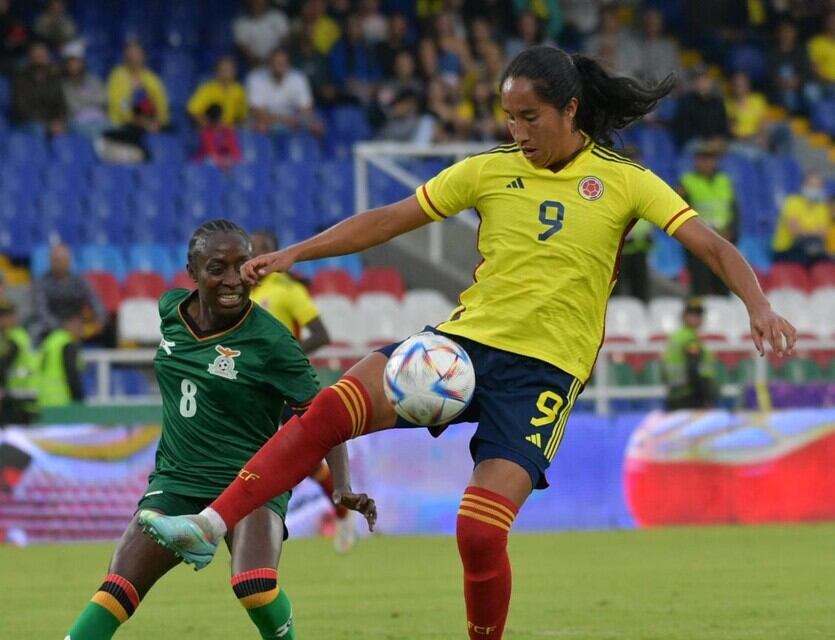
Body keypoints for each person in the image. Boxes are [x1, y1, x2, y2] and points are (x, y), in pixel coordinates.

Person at [139, 46, 796, 640]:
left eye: (529, 117)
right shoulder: (487, 171)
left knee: (479, 533)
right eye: (508, 117)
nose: (517, 132)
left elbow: (711, 245)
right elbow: (389, 219)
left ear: (570, 109)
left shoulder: (624, 180)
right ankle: (209, 524)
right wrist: (295, 254)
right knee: (332, 409)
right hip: (460, 348)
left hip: (542, 376)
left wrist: (759, 304)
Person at [65, 220, 376, 639]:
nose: (232, 280)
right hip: (177, 480)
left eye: (241, 266)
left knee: (254, 585)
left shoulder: (271, 341)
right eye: (217, 268)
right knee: (118, 586)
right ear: (192, 272)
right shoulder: (170, 311)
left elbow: (325, 415)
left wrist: (341, 486)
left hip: (252, 480)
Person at [249, 230, 356, 553]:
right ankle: (247, 536)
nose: (256, 254)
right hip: (251, 387)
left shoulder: (288, 290)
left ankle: (342, 511)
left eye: (263, 248)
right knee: (255, 458)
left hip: (284, 386)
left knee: (305, 457)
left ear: (273, 253)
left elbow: (321, 334)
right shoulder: (241, 292)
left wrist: (286, 357)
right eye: (252, 248)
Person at [678, 142, 737, 295]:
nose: (707, 162)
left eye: (710, 158)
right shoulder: (687, 182)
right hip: (699, 245)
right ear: (696, 161)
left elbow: (733, 209)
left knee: (723, 288)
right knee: (700, 288)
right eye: (703, 158)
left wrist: (732, 232)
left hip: (722, 241)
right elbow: (682, 215)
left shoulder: (724, 181)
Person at [32, 244, 106, 342]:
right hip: (51, 327)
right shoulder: (41, 283)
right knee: (36, 331)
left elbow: (95, 300)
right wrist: (63, 327)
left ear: (69, 261)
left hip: (77, 324)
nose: (60, 264)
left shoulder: (80, 281)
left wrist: (99, 319)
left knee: (108, 329)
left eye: (63, 260)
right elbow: (42, 312)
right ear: (50, 261)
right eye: (56, 260)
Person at [246, 47, 323, 136]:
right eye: (276, 63)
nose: (280, 66)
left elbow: (306, 109)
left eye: (283, 63)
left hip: (293, 120)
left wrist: (298, 120)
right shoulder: (255, 78)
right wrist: (284, 120)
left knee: (316, 125)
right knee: (260, 125)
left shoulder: (298, 78)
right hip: (265, 120)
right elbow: (257, 111)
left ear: (288, 64)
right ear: (269, 64)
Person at [662, 297, 718, 410]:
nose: (697, 318)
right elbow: (694, 369)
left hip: (674, 394)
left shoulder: (676, 336)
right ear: (684, 316)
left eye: (699, 314)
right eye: (692, 314)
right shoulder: (690, 339)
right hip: (691, 396)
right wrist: (705, 398)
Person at [106, 41, 169, 131]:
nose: (134, 58)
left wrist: (158, 122)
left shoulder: (151, 78)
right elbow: (121, 104)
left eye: (137, 54)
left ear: (144, 56)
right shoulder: (118, 76)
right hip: (123, 126)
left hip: (151, 124)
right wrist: (137, 121)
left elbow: (161, 104)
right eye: (130, 54)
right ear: (125, 57)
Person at [772, 171, 830, 266]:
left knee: (828, 262)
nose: (814, 189)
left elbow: (823, 233)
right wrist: (814, 232)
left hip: (811, 249)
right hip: (786, 250)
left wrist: (805, 231)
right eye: (811, 185)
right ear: (803, 185)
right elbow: (795, 231)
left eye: (818, 186)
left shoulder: (822, 207)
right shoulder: (792, 202)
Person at [11, 41, 67, 134]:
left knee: (69, 127)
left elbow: (61, 103)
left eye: (42, 56)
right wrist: (46, 123)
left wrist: (59, 120)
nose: (39, 60)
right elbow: (20, 107)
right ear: (30, 58)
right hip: (29, 121)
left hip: (52, 120)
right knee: (38, 129)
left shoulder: (54, 77)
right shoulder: (21, 78)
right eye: (36, 56)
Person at [671, 65, 729, 151]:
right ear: (693, 84)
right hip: (693, 143)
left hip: (717, 144)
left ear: (711, 82)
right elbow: (684, 131)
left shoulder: (718, 103)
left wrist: (719, 139)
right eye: (698, 80)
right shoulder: (685, 102)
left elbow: (723, 128)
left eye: (705, 80)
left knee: (743, 152)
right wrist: (707, 143)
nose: (702, 84)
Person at [61, 40, 109, 139]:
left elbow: (103, 99)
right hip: (77, 122)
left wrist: (83, 100)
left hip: (100, 119)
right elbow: (72, 106)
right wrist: (91, 100)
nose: (74, 65)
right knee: (94, 134)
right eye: (71, 62)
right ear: (66, 65)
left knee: (116, 131)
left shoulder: (93, 80)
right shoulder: (64, 85)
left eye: (77, 61)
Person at [0, 301, 38, 424]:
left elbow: (3, 364)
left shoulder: (15, 337)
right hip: (16, 396)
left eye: (4, 317)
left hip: (20, 397)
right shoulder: (8, 337)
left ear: (13, 318)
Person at [38, 311, 85, 408]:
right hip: (61, 399)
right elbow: (71, 373)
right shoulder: (66, 343)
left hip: (44, 397)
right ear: (69, 325)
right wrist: (79, 400)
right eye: (79, 326)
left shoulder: (51, 340)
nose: (81, 331)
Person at [187, 55, 248, 128]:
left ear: (235, 72)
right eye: (223, 70)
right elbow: (193, 111)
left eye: (230, 70)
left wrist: (234, 127)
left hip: (231, 130)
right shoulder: (207, 88)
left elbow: (242, 116)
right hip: (211, 129)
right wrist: (209, 126)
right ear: (216, 72)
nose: (227, 73)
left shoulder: (239, 90)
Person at [233, 0, 290, 69]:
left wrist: (274, 59)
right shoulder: (241, 23)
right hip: (254, 66)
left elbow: (284, 42)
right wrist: (263, 62)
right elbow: (244, 50)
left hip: (279, 65)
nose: (258, 2)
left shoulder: (278, 17)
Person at [193, 104, 242, 170]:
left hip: (225, 163)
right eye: (219, 119)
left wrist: (231, 160)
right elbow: (211, 153)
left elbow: (236, 153)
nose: (221, 121)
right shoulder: (206, 134)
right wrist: (223, 162)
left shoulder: (227, 132)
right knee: (210, 160)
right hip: (206, 165)